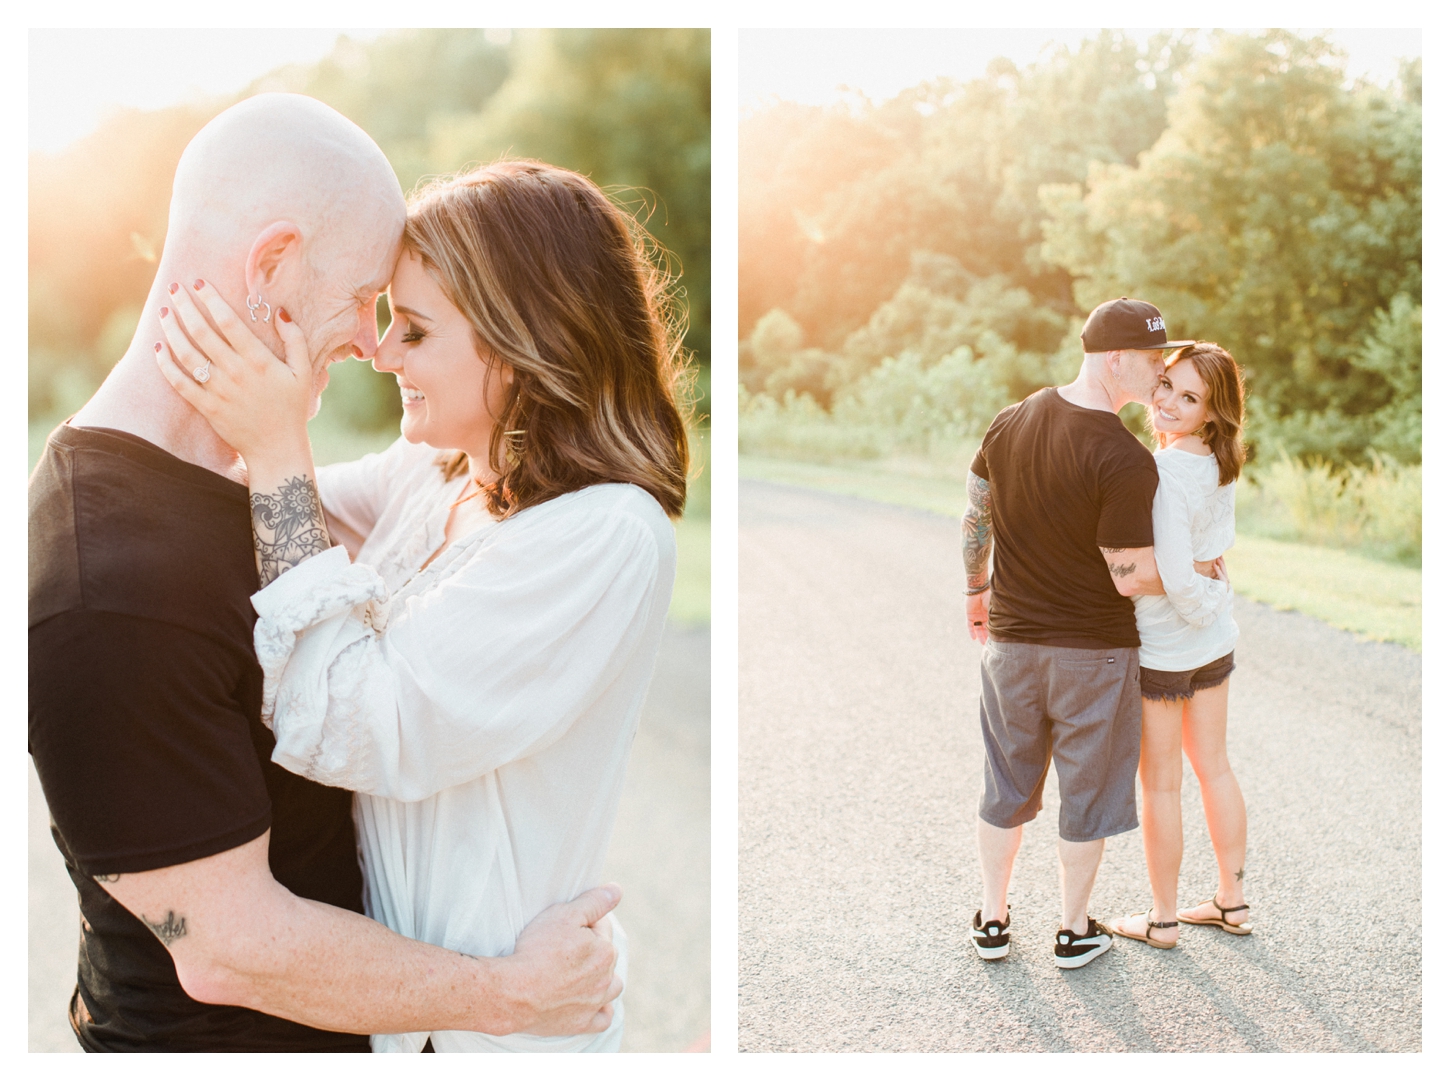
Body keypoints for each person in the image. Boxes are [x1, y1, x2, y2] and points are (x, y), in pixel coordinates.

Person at [29, 95, 621, 1053]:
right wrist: (506, 993)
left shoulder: (231, 482)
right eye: (358, 300)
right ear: (271, 266)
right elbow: (229, 948)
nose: (366, 344)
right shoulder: (103, 586)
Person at [151, 159, 689, 1051]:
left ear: (524, 345)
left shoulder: (605, 535)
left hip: (508, 1038)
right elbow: (269, 505)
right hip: (416, 1019)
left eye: (416, 330)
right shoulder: (441, 472)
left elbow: (346, 722)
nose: (383, 351)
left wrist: (281, 441)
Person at [961, 297, 1223, 970]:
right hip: (1092, 655)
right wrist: (1192, 569)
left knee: (1006, 783)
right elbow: (1130, 575)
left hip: (1011, 645)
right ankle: (1073, 930)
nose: (1160, 373)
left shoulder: (1010, 421)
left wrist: (974, 588)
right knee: (1086, 793)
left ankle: (993, 918)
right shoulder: (1125, 457)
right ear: (1116, 361)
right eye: (1152, 360)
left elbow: (975, 512)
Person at [1109, 343, 1252, 949]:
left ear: (1212, 413)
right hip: (1212, 644)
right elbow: (1212, 555)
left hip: (1169, 648)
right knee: (1213, 768)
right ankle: (1232, 901)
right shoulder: (1215, 460)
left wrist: (1203, 598)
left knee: (1164, 784)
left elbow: (1172, 571)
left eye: (1188, 398)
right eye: (1166, 385)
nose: (1166, 402)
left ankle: (1163, 920)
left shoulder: (1166, 470)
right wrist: (1214, 594)